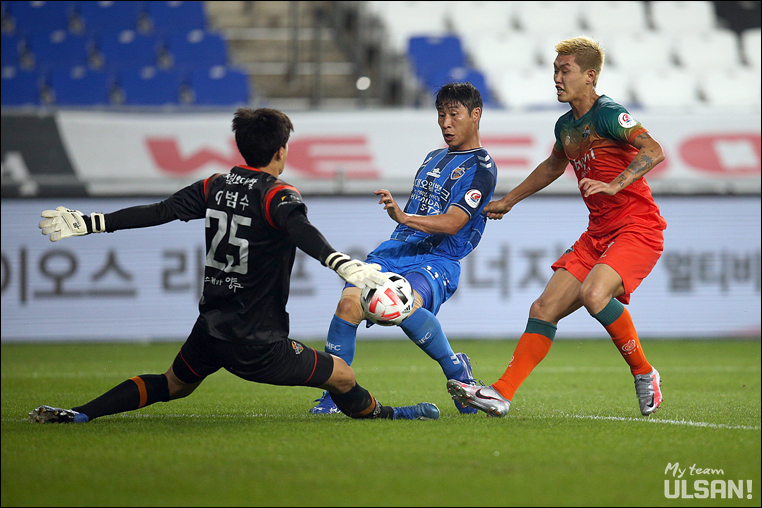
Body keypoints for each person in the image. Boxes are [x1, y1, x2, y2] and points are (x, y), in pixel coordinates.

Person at [29, 107, 441, 424]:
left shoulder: (214, 185)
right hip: (258, 343)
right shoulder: (278, 194)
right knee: (343, 376)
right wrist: (340, 263)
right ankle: (388, 415)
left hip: (211, 329)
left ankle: (81, 414)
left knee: (173, 384)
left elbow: (159, 211)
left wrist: (92, 222)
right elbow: (299, 229)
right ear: (280, 152)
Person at [447, 36, 666, 417]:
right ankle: (501, 393)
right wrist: (509, 200)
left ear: (590, 76)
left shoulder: (609, 114)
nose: (557, 78)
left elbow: (654, 150)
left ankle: (645, 372)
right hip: (598, 234)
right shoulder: (566, 125)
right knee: (543, 307)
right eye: (555, 70)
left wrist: (615, 185)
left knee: (595, 295)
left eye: (565, 71)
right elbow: (552, 166)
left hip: (637, 228)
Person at [309, 82, 497, 415]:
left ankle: (457, 372)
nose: (446, 123)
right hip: (396, 249)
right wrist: (404, 223)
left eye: (454, 114)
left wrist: (404, 216)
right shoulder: (433, 157)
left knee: (401, 305)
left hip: (438, 258)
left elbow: (454, 223)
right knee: (347, 306)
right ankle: (334, 393)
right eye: (441, 115)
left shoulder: (482, 168)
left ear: (475, 115)